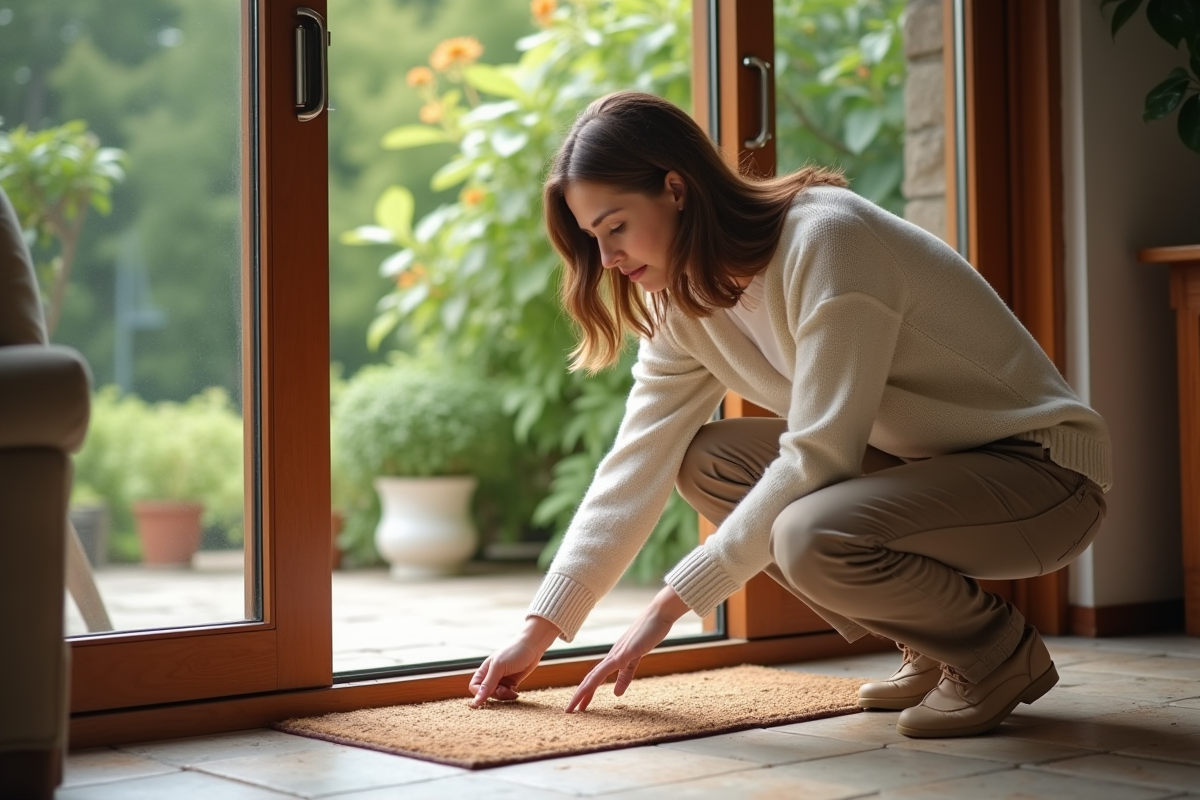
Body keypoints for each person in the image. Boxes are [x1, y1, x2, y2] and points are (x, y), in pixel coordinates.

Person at [468, 91, 1110, 739]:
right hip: (929, 465)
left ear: (676, 189)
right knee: (707, 461)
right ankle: (931, 642)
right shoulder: (680, 304)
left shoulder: (827, 239)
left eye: (615, 227)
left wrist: (672, 603)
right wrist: (539, 630)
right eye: (591, 238)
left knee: (808, 531)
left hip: (1046, 474)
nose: (606, 260)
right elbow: (638, 460)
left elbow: (820, 453)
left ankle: (994, 652)